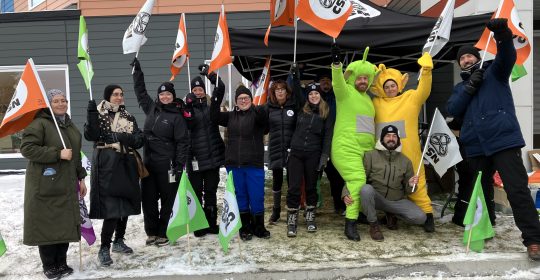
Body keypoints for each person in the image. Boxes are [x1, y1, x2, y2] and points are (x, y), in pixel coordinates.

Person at [447, 18, 540, 260]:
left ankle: (533, 239)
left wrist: (502, 34)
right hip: (476, 146)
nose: (466, 60)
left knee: (516, 190)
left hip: (503, 141)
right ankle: (482, 229)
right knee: (479, 191)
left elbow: (508, 56)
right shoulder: (460, 88)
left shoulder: (495, 73)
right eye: (462, 59)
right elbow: (454, 109)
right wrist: (469, 88)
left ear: (477, 58)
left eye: (469, 56)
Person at [21, 89, 87, 279]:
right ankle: (49, 265)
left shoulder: (69, 125)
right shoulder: (39, 123)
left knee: (64, 224)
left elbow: (75, 157)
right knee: (48, 226)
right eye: (56, 101)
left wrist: (80, 178)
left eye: (63, 100)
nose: (61, 104)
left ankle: (61, 262)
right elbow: (27, 148)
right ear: (49, 104)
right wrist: (56, 153)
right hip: (45, 185)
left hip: (67, 185)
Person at [369, 53, 435, 232]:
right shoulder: (375, 103)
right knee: (383, 182)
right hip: (384, 155)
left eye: (393, 85)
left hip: (409, 153)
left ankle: (427, 215)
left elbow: (424, 90)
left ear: (399, 85)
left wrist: (427, 71)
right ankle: (388, 213)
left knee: (416, 181)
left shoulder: (411, 98)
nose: (390, 89)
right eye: (386, 86)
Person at [131, 58, 189, 246]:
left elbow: (182, 142)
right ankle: (152, 232)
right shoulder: (151, 109)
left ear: (173, 96)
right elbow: (140, 93)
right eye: (162, 94)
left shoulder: (177, 117)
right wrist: (137, 71)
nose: (164, 97)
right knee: (148, 199)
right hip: (148, 163)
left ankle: (164, 232)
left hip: (168, 165)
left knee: (167, 199)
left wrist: (179, 165)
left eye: (168, 94)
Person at [85, 85, 144, 266]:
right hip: (106, 164)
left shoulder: (128, 117)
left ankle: (119, 240)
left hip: (126, 162)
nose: (119, 97)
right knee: (111, 208)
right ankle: (104, 248)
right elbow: (91, 135)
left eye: (121, 94)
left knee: (125, 202)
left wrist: (120, 137)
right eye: (115, 94)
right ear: (108, 96)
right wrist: (90, 114)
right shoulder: (98, 114)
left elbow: (139, 139)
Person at [342, 125, 427, 241]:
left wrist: (412, 185)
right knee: (366, 189)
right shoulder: (370, 156)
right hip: (375, 198)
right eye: (388, 136)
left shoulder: (406, 161)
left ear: (398, 139)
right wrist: (345, 192)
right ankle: (374, 225)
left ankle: (391, 214)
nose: (391, 138)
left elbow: (409, 191)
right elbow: (356, 177)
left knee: (420, 217)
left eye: (394, 136)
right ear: (382, 138)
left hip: (396, 200)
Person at [210, 82, 270, 240]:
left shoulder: (257, 114)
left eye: (246, 98)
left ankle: (259, 226)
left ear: (251, 99)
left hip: (254, 164)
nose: (243, 101)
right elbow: (214, 116)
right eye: (240, 98)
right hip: (234, 165)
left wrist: (260, 109)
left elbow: (266, 124)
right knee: (241, 196)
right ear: (236, 101)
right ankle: (245, 227)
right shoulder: (230, 116)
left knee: (256, 196)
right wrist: (218, 90)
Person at [330, 44, 378, 241]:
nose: (363, 81)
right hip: (346, 146)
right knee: (357, 181)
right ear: (352, 77)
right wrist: (336, 65)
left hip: (365, 149)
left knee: (362, 184)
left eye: (366, 78)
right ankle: (350, 223)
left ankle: (360, 213)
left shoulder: (368, 98)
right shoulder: (346, 92)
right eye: (359, 77)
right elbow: (337, 83)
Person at [286, 83, 333, 237]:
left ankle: (310, 216)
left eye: (316, 94)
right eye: (311, 94)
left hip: (314, 154)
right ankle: (292, 219)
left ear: (321, 96)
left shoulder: (326, 112)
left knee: (311, 187)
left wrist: (324, 156)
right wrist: (295, 75)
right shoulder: (301, 108)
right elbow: (297, 91)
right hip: (296, 153)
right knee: (294, 187)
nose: (313, 96)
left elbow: (327, 136)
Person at [183, 68, 226, 237]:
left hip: (213, 156)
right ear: (191, 92)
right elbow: (187, 124)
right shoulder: (187, 109)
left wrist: (211, 75)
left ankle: (211, 223)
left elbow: (220, 87)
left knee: (211, 191)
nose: (198, 92)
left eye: (200, 89)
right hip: (194, 158)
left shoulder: (212, 107)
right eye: (195, 90)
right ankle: (198, 224)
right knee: (195, 192)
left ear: (204, 91)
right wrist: (188, 106)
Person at [266, 78, 304, 224]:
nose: (280, 92)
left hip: (291, 148)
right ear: (273, 93)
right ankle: (276, 211)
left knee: (292, 180)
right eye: (277, 90)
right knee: (277, 180)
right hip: (275, 147)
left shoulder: (293, 107)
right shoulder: (268, 107)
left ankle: (291, 209)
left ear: (287, 92)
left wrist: (295, 75)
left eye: (282, 89)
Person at [316, 70, 346, 215]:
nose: (325, 82)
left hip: (334, 142)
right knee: (313, 177)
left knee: (336, 177)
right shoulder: (314, 97)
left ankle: (339, 205)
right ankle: (312, 205)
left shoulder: (338, 97)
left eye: (328, 79)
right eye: (322, 80)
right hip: (316, 143)